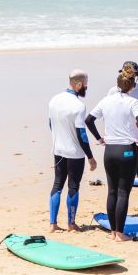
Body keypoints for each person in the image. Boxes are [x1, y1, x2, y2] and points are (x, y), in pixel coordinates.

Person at [85, 65, 138, 242]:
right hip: (127, 151)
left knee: (111, 191)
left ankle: (113, 232)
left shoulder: (106, 100)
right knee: (123, 193)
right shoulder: (132, 102)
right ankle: (120, 234)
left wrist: (99, 138)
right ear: (132, 85)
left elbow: (89, 120)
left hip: (110, 151)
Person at [47, 69, 97, 232]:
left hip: (58, 150)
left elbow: (50, 124)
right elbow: (81, 133)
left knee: (57, 184)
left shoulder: (54, 100)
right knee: (73, 187)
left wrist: (57, 139)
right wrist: (90, 156)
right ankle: (71, 223)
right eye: (86, 86)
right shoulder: (78, 105)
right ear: (79, 85)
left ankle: (53, 224)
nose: (86, 89)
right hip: (75, 153)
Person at [108, 61, 138, 215]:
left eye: (134, 75)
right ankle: (119, 209)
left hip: (137, 139)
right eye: (129, 75)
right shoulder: (112, 92)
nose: (132, 78)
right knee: (118, 178)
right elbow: (108, 113)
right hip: (119, 140)